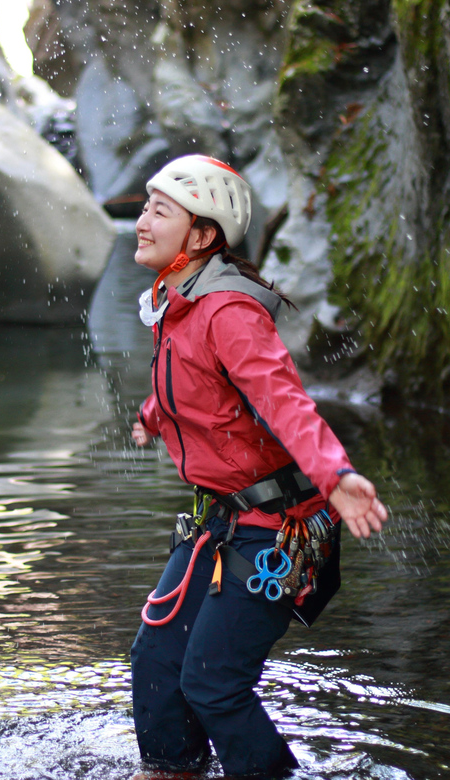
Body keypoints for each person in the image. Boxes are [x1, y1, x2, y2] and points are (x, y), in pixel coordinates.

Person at [130, 154, 388, 779]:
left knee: (213, 682)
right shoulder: (178, 301)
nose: (141, 221)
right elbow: (192, 386)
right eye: (144, 206)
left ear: (201, 235)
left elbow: (284, 401)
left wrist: (338, 475)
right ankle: (172, 770)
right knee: (157, 662)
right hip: (219, 519)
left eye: (158, 211)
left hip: (281, 529)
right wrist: (152, 415)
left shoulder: (228, 312)